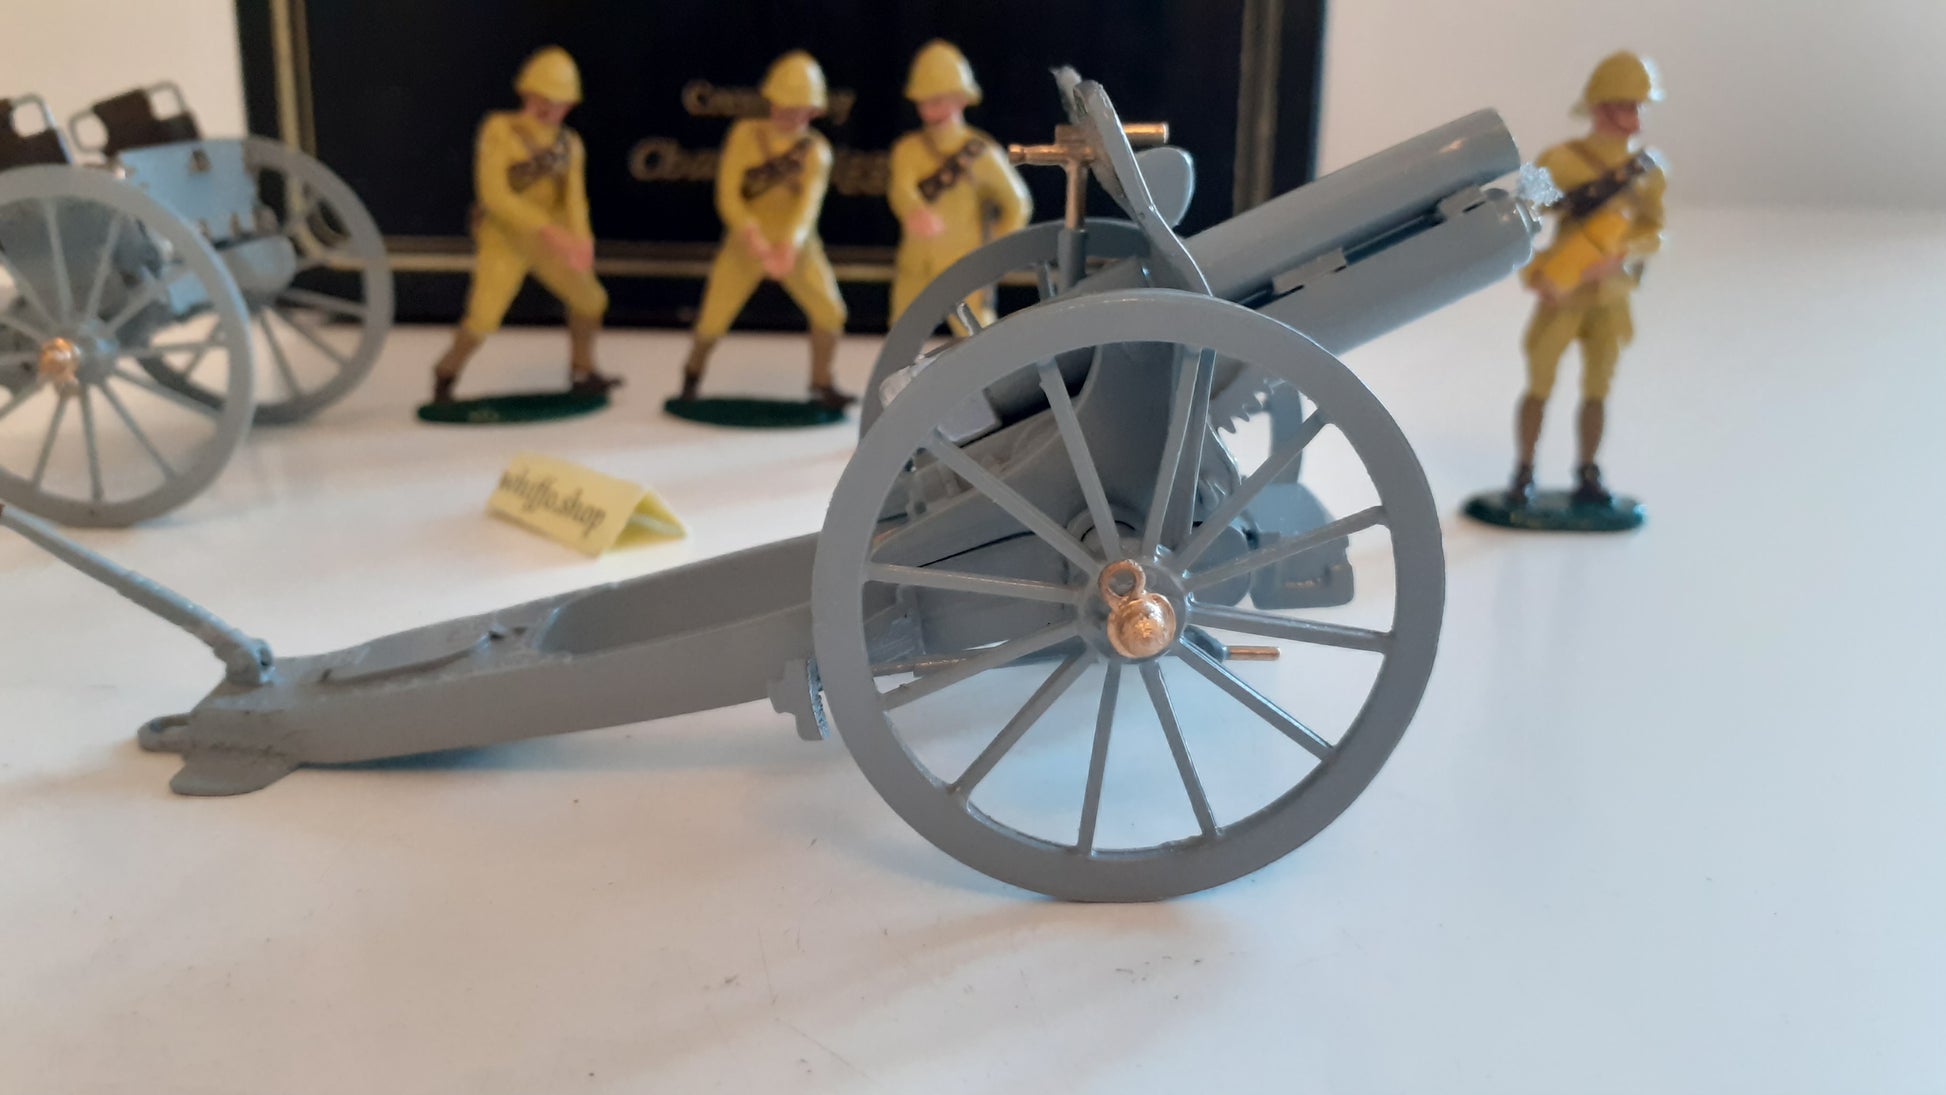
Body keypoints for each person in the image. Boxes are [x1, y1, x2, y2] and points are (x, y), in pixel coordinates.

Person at [1505, 50, 1666, 507]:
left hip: (1611, 295)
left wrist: (1621, 256)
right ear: (1602, 108)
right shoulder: (1558, 159)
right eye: (1627, 105)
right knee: (1539, 382)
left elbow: (1656, 231)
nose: (1637, 116)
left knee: (1599, 387)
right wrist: (1536, 272)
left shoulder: (1649, 170)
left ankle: (1588, 472)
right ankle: (1524, 471)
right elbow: (1519, 214)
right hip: (1563, 290)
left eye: (1639, 106)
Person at [429, 47, 616, 404]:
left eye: (556, 102)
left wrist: (582, 240)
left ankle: (583, 370)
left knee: (591, 300)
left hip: (550, 242)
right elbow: (494, 196)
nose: (546, 108)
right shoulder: (499, 129)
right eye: (539, 98)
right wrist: (550, 230)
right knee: (484, 317)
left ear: (568, 105)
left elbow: (575, 200)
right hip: (505, 238)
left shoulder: (569, 144)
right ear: (525, 93)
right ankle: (446, 373)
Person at [677, 51, 851, 409]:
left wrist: (788, 246)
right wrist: (752, 237)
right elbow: (728, 195)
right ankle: (692, 376)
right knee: (713, 317)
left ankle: (822, 382)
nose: (789, 114)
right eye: (783, 105)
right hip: (744, 243)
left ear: (813, 110)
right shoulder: (745, 135)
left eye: (798, 108)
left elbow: (807, 208)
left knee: (830, 312)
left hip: (797, 247)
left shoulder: (816, 151)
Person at [885, 40, 1032, 329]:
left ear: (961, 99)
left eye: (941, 101)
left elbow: (1017, 203)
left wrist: (996, 251)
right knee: (902, 333)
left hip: (963, 265)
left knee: (976, 334)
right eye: (926, 102)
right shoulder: (907, 150)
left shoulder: (981, 153)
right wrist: (914, 210)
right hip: (916, 262)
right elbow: (900, 188)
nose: (933, 109)